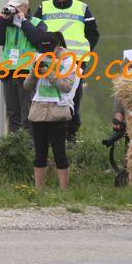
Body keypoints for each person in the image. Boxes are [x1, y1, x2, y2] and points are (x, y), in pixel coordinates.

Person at [33, 0, 99, 142]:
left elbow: (93, 34)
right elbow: (35, 32)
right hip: (50, 60)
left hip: (76, 62)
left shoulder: (82, 8)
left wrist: (86, 51)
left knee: (73, 97)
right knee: (48, 94)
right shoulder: (44, 7)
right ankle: (48, 133)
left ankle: (70, 135)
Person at [24, 31, 79, 190]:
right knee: (39, 153)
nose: (45, 53)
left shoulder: (69, 61)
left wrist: (49, 73)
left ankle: (63, 191)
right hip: (38, 110)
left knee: (59, 153)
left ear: (57, 47)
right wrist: (34, 73)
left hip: (58, 111)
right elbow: (27, 86)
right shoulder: (38, 56)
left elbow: (66, 86)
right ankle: (38, 190)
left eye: (49, 50)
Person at [0, 0, 47, 135]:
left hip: (26, 73)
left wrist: (23, 21)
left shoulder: (36, 23)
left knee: (27, 113)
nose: (14, 10)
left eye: (17, 7)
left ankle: (29, 146)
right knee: (12, 113)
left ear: (26, 7)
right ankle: (14, 146)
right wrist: (3, 18)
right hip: (8, 72)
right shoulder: (7, 24)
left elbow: (36, 39)